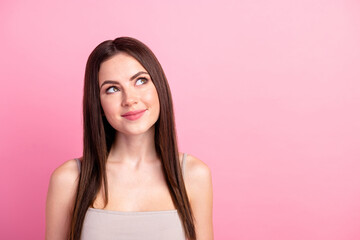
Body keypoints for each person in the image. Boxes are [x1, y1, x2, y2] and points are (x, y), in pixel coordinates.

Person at [45, 37, 213, 240]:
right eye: (112, 89)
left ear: (159, 87)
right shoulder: (69, 179)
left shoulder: (193, 175)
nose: (130, 99)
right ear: (98, 105)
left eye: (141, 81)